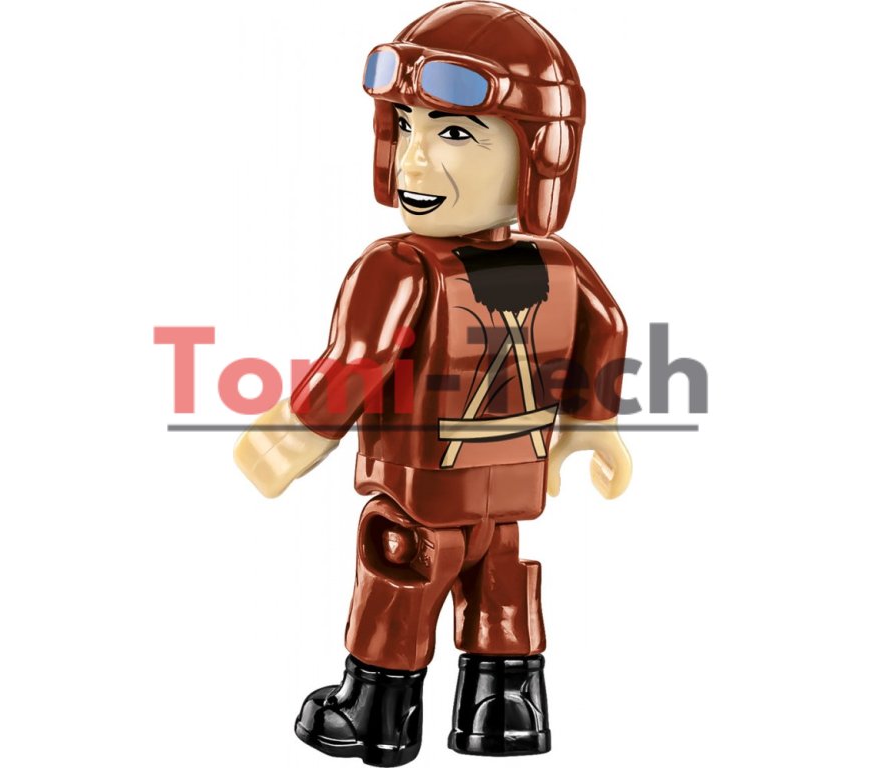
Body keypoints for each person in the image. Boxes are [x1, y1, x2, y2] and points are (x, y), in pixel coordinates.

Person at [235, 2, 632, 764]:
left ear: (540, 151)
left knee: (398, 585)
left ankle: (374, 711)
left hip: (421, 500)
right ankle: (505, 709)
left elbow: (353, 365)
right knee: (502, 589)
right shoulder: (563, 268)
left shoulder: (399, 269)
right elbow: (607, 329)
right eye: (406, 126)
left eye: (454, 133)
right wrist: (592, 423)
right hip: (508, 494)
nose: (415, 160)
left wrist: (287, 438)